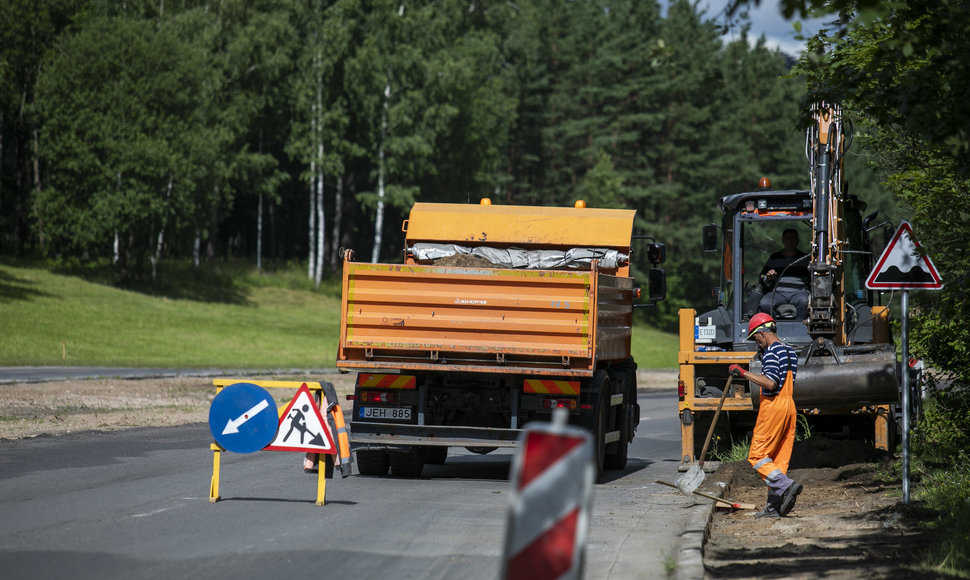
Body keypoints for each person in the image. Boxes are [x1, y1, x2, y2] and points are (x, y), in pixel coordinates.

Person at [729, 313, 803, 518]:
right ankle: (774, 507)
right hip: (789, 406)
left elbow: (770, 383)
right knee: (777, 462)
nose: (757, 343)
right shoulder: (790, 352)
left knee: (757, 456)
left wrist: (743, 373)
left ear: (762, 333)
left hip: (773, 406)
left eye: (755, 338)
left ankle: (786, 486)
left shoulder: (771, 352)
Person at [758, 228, 810, 319]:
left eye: (793, 239)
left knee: (806, 301)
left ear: (797, 241)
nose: (790, 241)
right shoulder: (774, 258)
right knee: (765, 303)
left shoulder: (805, 258)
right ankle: (775, 326)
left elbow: (812, 278)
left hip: (799, 293)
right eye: (787, 239)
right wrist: (769, 277)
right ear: (783, 241)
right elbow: (762, 278)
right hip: (778, 293)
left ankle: (797, 326)